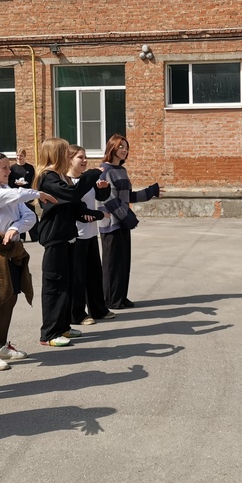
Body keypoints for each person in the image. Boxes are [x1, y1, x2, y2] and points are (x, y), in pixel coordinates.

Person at [0, 151, 58, 370]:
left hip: (10, 248)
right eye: (4, 168)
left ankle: (1, 346)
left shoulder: (6, 189)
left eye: (9, 167)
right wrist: (37, 193)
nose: (9, 171)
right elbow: (13, 196)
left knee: (10, 297)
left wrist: (15, 228)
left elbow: (29, 216)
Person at [33, 138, 108, 347]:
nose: (69, 156)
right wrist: (92, 174)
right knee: (54, 285)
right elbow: (72, 194)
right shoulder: (47, 177)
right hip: (55, 237)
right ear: (56, 154)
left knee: (66, 284)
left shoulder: (61, 177)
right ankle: (49, 333)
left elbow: (74, 205)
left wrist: (97, 214)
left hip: (68, 235)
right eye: (66, 152)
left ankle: (63, 326)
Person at [98, 134, 160, 310]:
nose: (124, 150)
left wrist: (151, 191)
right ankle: (111, 299)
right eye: (121, 147)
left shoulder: (121, 170)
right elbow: (109, 199)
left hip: (122, 222)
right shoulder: (105, 170)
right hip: (111, 224)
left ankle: (121, 296)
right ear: (112, 148)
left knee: (123, 262)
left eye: (126, 147)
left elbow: (128, 196)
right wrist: (128, 218)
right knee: (112, 264)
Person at [68, 145, 116, 328]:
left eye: (85, 156)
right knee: (78, 277)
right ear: (69, 159)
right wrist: (93, 214)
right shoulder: (67, 182)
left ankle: (98, 309)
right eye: (80, 157)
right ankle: (77, 313)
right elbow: (75, 207)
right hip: (76, 236)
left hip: (91, 233)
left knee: (94, 274)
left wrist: (103, 189)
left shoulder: (86, 180)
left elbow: (98, 197)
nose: (85, 160)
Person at [8, 148, 39, 242]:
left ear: (25, 157)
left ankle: (35, 236)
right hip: (17, 195)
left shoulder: (29, 168)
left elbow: (33, 180)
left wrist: (32, 190)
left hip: (27, 194)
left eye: (21, 156)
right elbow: (9, 181)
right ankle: (21, 236)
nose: (19, 157)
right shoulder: (13, 168)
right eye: (17, 156)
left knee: (31, 213)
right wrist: (14, 183)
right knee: (18, 215)